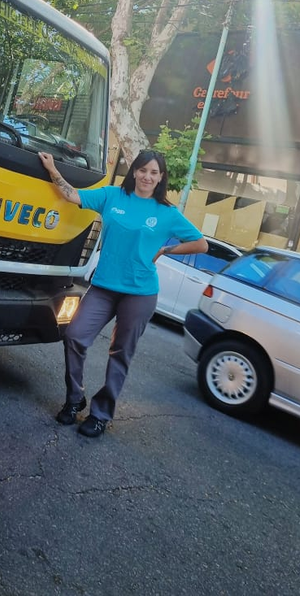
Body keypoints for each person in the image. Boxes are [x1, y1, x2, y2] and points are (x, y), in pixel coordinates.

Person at [38, 149, 208, 438]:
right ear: (134, 172)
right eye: (143, 170)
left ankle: (101, 413)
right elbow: (72, 195)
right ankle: (75, 397)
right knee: (75, 336)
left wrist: (167, 249)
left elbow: (201, 244)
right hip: (104, 287)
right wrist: (53, 169)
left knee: (120, 353)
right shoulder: (112, 196)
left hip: (140, 293)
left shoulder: (167, 213)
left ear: (161, 177)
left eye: (154, 172)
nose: (147, 176)